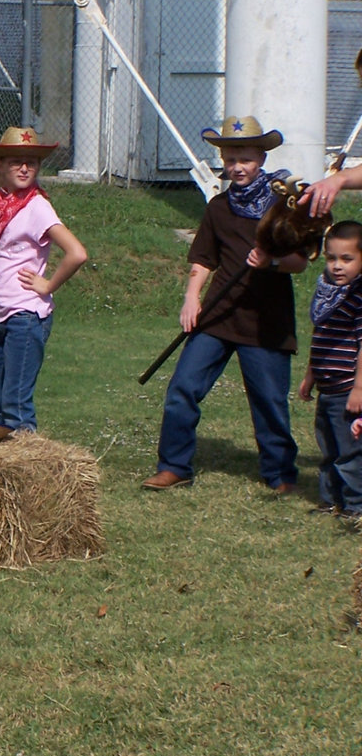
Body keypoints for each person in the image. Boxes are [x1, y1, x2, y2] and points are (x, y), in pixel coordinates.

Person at [143, 116, 310, 491]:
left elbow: (300, 262)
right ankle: (175, 465)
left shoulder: (283, 209)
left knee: (269, 402)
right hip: (217, 316)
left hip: (266, 320)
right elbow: (203, 259)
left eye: (246, 159)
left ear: (261, 160)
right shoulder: (219, 207)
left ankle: (280, 474)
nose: (237, 167)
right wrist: (192, 298)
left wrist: (272, 262)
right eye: (230, 159)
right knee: (183, 389)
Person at [0, 127, 87, 431]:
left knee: (16, 403)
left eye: (32, 162)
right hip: (1, 317)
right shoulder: (2, 205)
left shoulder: (37, 206)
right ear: (0, 165)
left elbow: (77, 253)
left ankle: (30, 466)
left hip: (26, 315)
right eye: (16, 161)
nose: (24, 168)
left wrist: (47, 285)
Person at [298, 221, 362, 520]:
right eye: (331, 258)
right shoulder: (327, 293)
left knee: (350, 452)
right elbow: (320, 336)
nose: (337, 266)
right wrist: (311, 374)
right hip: (326, 387)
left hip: (348, 389)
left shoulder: (358, 296)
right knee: (328, 448)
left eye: (346, 259)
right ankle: (328, 500)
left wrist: (359, 388)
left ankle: (354, 505)